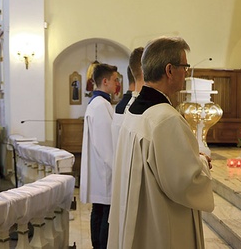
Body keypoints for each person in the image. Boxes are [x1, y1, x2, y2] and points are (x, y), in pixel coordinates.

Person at [108, 36, 214, 249]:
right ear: (169, 70)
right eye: (185, 66)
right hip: (161, 228)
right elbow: (185, 182)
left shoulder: (133, 111)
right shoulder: (165, 119)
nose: (186, 72)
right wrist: (202, 162)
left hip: (139, 220)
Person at [80, 63, 120, 249]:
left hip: (100, 170)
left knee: (99, 212)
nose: (116, 83)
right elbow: (106, 146)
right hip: (105, 172)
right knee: (104, 214)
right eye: (114, 80)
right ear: (105, 81)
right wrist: (118, 169)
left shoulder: (98, 103)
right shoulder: (101, 105)